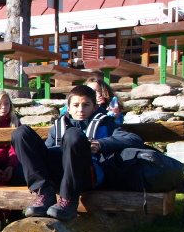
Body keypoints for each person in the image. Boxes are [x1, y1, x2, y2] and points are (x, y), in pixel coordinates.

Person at [11, 84, 144, 221]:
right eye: (75, 105)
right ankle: (44, 193)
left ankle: (69, 199)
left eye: (86, 105)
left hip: (86, 175)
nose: (80, 110)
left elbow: (134, 139)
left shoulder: (105, 124)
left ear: (95, 107)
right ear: (68, 108)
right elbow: (47, 152)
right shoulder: (59, 125)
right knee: (21, 133)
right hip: (58, 174)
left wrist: (100, 144)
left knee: (73, 134)